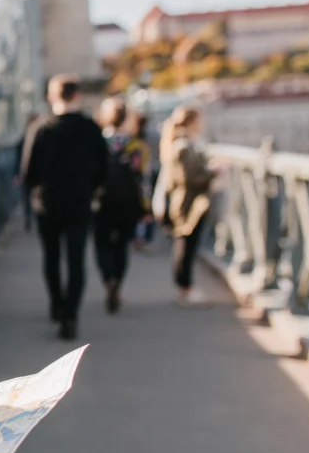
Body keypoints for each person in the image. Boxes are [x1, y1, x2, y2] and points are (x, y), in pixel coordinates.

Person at [21, 74, 109, 340]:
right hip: (80, 203)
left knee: (51, 259)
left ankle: (57, 306)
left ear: (52, 97)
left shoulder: (42, 128)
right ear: (77, 96)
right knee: (76, 260)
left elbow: (28, 173)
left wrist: (36, 194)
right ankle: (71, 315)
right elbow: (103, 170)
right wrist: (90, 189)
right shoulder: (91, 128)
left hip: (48, 205)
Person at [92, 97, 148, 314]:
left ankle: (108, 279)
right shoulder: (136, 145)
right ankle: (118, 283)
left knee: (102, 244)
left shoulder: (97, 143)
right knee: (122, 245)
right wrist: (146, 208)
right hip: (128, 202)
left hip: (102, 202)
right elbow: (144, 178)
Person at [157, 105, 217, 306]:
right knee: (186, 247)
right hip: (188, 205)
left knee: (185, 246)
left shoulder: (179, 144)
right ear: (191, 122)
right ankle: (186, 289)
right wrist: (213, 172)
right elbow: (188, 177)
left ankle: (185, 288)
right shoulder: (182, 146)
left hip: (186, 203)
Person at [127, 111, 156, 250]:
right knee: (147, 210)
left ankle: (136, 238)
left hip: (136, 180)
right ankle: (145, 239)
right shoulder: (146, 140)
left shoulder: (131, 141)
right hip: (146, 178)